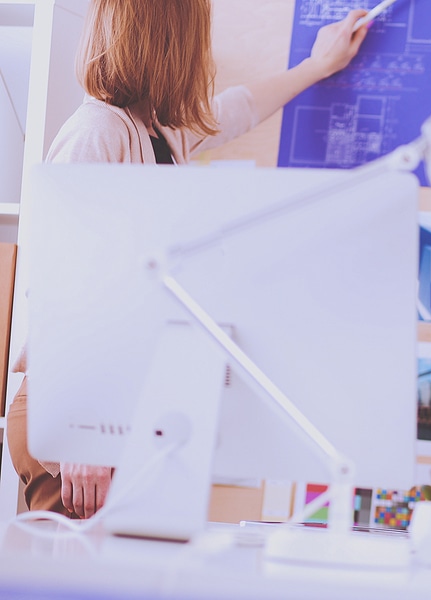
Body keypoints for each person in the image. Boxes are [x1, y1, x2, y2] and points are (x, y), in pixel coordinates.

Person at [6, 0, 370, 520]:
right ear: (172, 44)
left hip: (112, 408)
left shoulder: (161, 133)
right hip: (71, 413)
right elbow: (56, 290)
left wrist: (318, 65)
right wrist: (81, 437)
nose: (204, 53)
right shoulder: (98, 132)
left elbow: (237, 109)